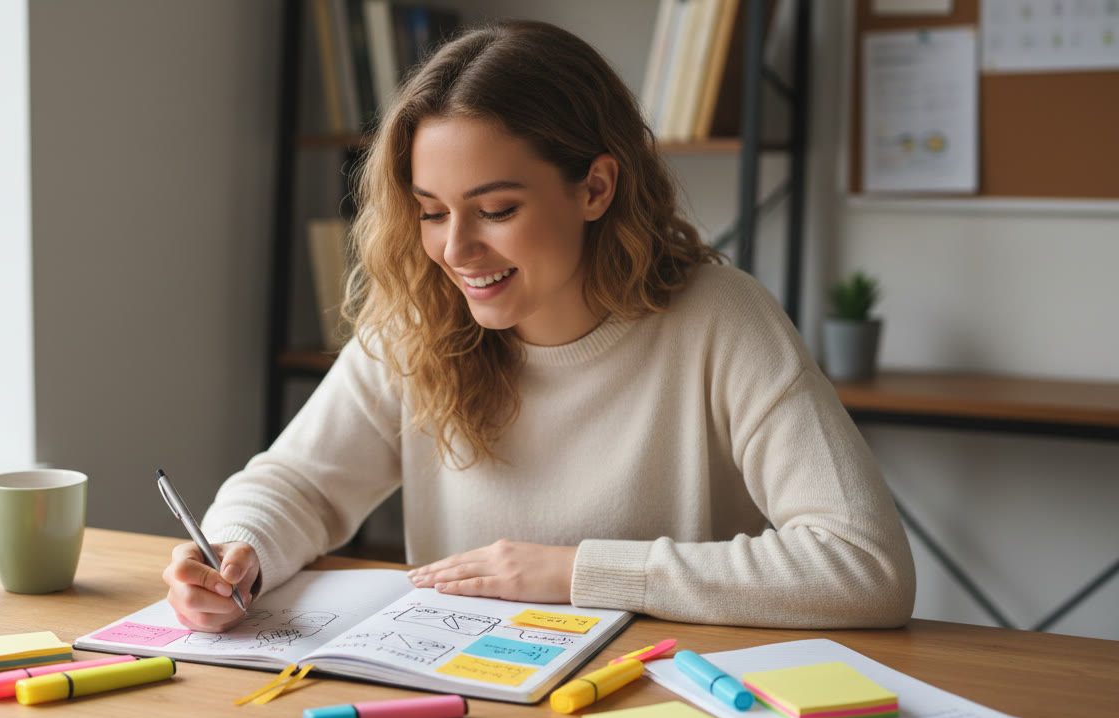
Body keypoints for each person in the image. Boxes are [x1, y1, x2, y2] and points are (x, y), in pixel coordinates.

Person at [163, 19, 915, 634]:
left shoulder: (721, 321)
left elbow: (864, 565)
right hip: (473, 706)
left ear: (595, 187)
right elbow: (298, 482)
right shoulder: (422, 318)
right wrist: (239, 550)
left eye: (495, 210)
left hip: (664, 707)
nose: (455, 251)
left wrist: (576, 572)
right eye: (430, 212)